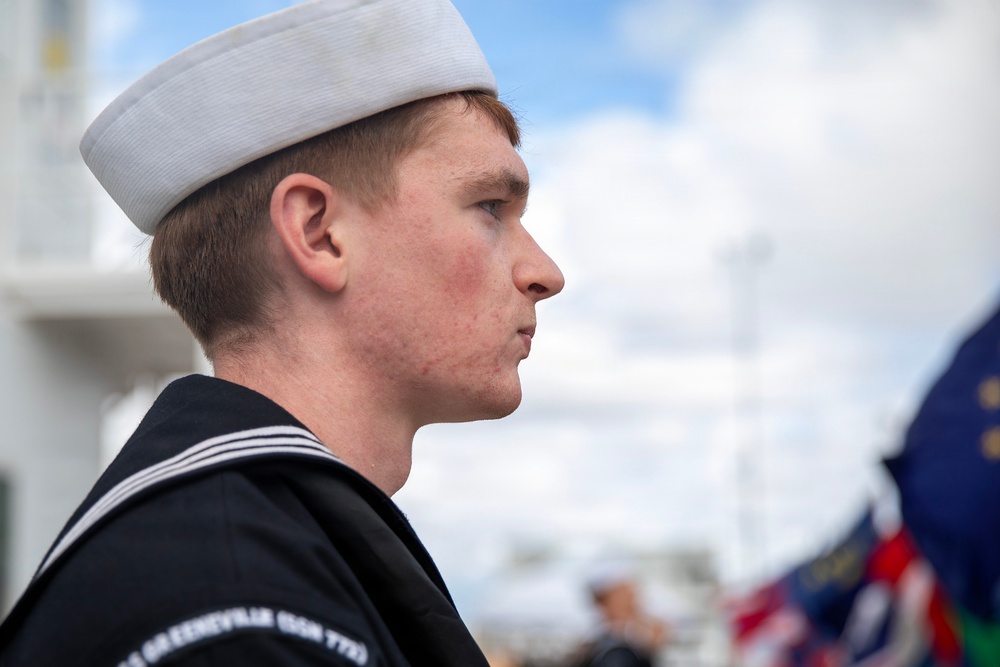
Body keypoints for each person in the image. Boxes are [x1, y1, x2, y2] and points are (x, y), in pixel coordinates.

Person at [0, 1, 563, 665]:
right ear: (318, 233)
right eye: (490, 207)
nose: (544, 273)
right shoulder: (239, 610)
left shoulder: (246, 557)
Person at [570, 564, 670, 667]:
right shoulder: (600, 645)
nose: (633, 602)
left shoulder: (643, 637)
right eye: (624, 596)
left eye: (632, 595)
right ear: (603, 602)